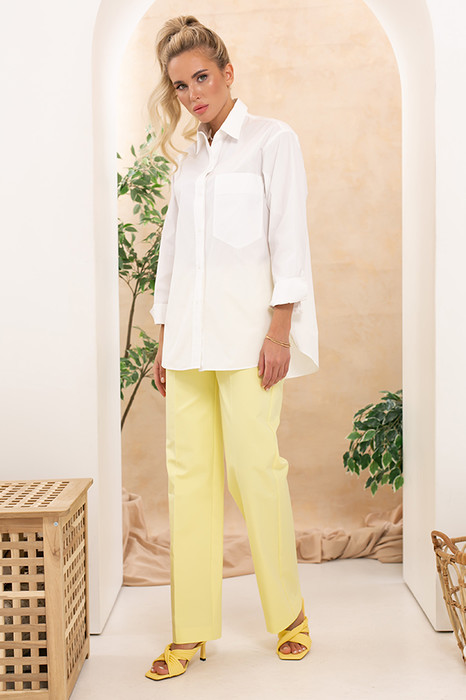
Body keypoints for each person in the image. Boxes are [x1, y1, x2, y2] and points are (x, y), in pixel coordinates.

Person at [145, 15, 319, 681]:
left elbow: (288, 240)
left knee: (256, 472)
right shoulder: (188, 162)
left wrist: (279, 331)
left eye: (201, 78)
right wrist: (163, 340)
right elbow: (171, 258)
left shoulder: (274, 141)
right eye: (180, 85)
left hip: (250, 343)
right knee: (188, 479)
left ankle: (289, 615)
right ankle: (189, 630)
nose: (192, 94)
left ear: (227, 73)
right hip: (188, 345)